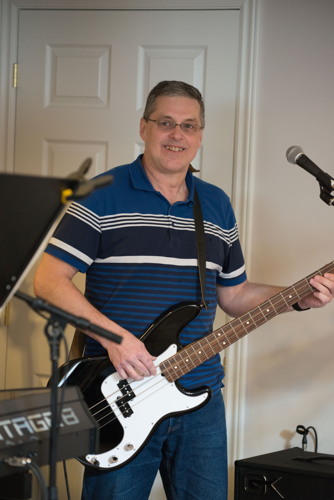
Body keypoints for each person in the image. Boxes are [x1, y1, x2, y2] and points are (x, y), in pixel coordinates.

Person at [34, 81, 334, 500]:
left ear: (200, 135)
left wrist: (296, 298)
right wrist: (116, 339)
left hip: (200, 401)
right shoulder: (101, 194)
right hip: (117, 392)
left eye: (189, 126)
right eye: (166, 123)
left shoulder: (215, 204)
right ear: (143, 127)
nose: (178, 135)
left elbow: (235, 295)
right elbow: (47, 281)